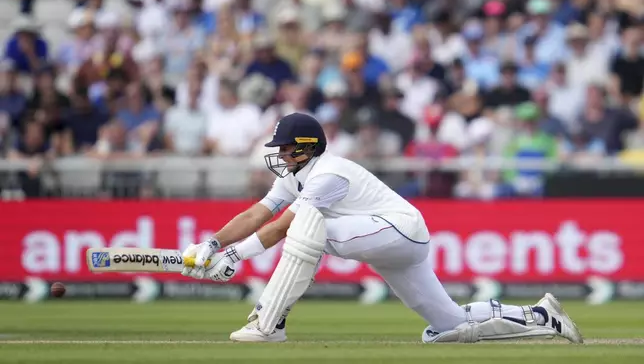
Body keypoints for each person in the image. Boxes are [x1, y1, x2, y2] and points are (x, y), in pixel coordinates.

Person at [180, 112, 584, 345]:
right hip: (390, 242)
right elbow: (258, 213)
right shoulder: (296, 175)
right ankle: (542, 316)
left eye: (285, 149)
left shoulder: (329, 173)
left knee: (308, 224)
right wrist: (212, 243)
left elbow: (285, 224)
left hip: (400, 230)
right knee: (447, 327)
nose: (280, 155)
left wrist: (235, 256)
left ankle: (270, 322)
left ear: (305, 146)